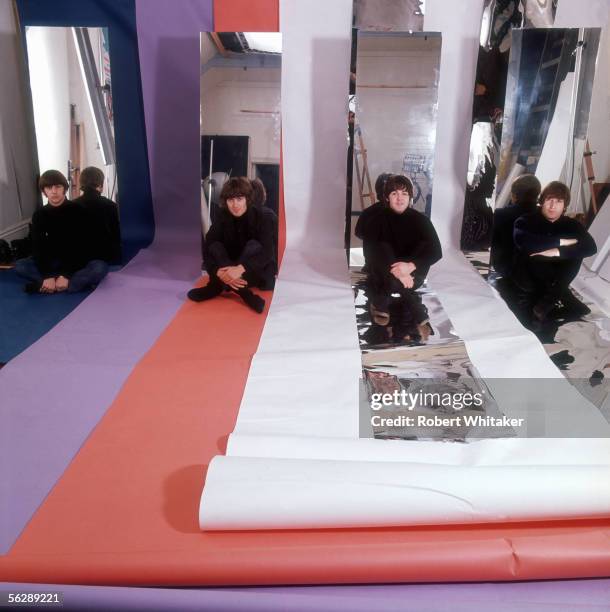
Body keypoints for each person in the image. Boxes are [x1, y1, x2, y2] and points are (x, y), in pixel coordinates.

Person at [361, 174, 442, 337]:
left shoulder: (421, 220)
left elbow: (436, 251)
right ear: (387, 197)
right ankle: (413, 305)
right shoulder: (376, 220)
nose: (399, 198)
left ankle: (381, 300)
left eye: (404, 194)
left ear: (410, 197)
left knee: (424, 244)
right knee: (382, 246)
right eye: (394, 194)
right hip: (383, 273)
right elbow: (370, 255)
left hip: (413, 275)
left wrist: (409, 267)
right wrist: (398, 273)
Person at [187, 176, 277, 313]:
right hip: (229, 266)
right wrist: (217, 270)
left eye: (239, 199)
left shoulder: (263, 217)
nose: (235, 205)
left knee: (254, 246)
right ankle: (245, 294)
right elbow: (209, 244)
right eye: (230, 200)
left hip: (253, 271)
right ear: (225, 201)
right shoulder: (223, 214)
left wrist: (240, 269)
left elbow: (267, 253)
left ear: (247, 199)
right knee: (215, 245)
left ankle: (217, 286)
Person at [512, 180, 596, 324]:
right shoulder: (526, 220)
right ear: (542, 201)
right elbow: (524, 242)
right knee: (535, 257)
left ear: (564, 206)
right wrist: (561, 243)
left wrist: (556, 251)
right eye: (549, 200)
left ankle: (547, 303)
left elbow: (590, 247)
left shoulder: (572, 225)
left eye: (558, 201)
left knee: (576, 256)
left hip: (555, 278)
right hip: (528, 277)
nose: (553, 206)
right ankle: (565, 303)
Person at [15, 170, 108, 294]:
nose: (54, 191)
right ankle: (65, 285)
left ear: (64, 189)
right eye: (49, 187)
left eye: (58, 187)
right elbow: (38, 248)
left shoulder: (79, 210)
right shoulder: (39, 215)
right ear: (44, 192)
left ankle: (46, 285)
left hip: (75, 262)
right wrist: (48, 275)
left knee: (100, 267)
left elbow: (83, 248)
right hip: (51, 262)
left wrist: (66, 275)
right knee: (20, 265)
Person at [490, 173, 541, 277]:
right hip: (536, 272)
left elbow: (492, 245)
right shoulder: (545, 215)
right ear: (538, 195)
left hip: (505, 270)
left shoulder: (500, 214)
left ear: (513, 195)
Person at [73, 166, 121, 265]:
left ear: (81, 183)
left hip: (79, 260)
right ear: (100, 184)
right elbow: (117, 236)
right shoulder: (111, 206)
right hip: (106, 259)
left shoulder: (70, 206)